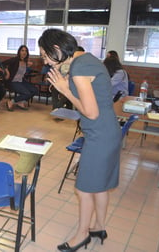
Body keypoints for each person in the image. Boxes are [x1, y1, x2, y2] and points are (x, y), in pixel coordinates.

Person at [39, 29, 121, 252]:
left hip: (99, 135)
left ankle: (82, 236)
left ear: (56, 49)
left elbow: (90, 112)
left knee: (84, 189)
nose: (46, 62)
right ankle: (99, 227)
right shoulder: (85, 59)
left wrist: (66, 90)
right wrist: (65, 80)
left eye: (46, 56)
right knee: (100, 187)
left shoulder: (80, 67)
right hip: (107, 131)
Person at [2, 45, 38, 111]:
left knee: (35, 90)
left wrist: (28, 65)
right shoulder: (15, 60)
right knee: (27, 93)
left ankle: (21, 102)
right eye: (22, 50)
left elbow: (22, 72)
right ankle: (11, 102)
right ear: (19, 52)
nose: (24, 52)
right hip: (13, 81)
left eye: (26, 51)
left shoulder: (25, 62)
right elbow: (2, 64)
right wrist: (7, 72)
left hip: (21, 81)